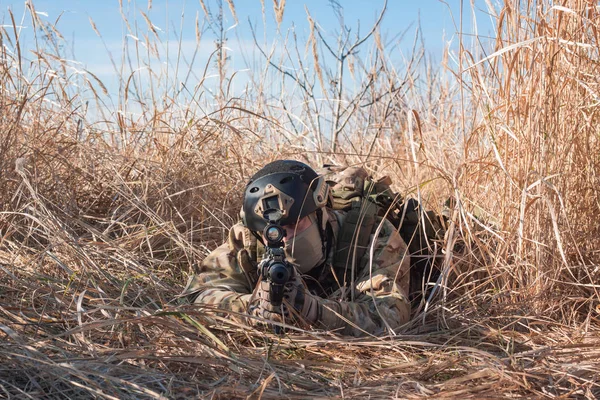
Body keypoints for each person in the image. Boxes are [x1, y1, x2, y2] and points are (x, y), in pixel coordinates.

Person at [180, 160, 413, 336]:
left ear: (321, 213)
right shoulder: (247, 238)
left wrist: (315, 312)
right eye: (272, 231)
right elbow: (195, 297)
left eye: (294, 223)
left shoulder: (371, 234)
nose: (283, 237)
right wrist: (251, 309)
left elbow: (390, 316)